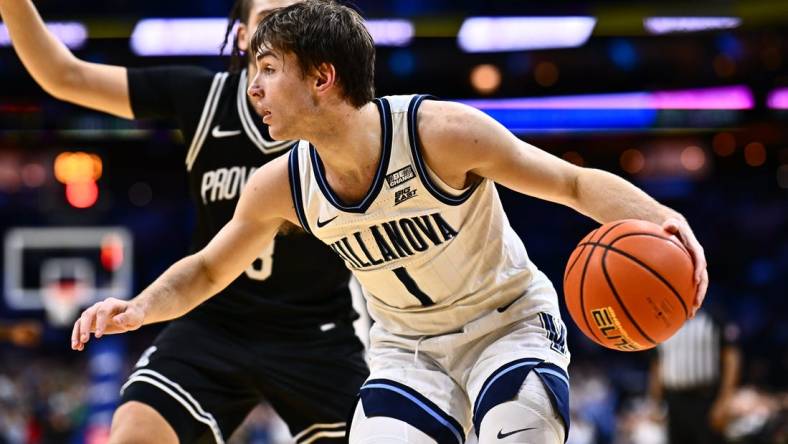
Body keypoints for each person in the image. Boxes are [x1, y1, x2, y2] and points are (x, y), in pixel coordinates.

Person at [70, 1, 709, 442]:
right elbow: (210, 266)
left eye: (267, 69)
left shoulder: (440, 133)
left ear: (322, 77)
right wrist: (140, 307)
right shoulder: (281, 185)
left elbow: (571, 184)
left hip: (505, 323)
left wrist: (661, 217)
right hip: (406, 348)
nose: (253, 88)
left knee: (520, 431)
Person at [0, 1, 369, 443]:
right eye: (270, 18)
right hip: (213, 322)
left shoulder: (344, 114)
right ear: (242, 37)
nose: (285, 27)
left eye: (296, 15)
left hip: (317, 334)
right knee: (135, 431)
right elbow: (65, 75)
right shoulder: (204, 97)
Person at [649, 309, 741, 443]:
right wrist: (655, 402)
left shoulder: (713, 318)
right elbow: (657, 365)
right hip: (674, 400)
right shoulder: (663, 323)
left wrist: (724, 401)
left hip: (706, 399)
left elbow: (732, 358)